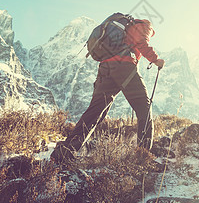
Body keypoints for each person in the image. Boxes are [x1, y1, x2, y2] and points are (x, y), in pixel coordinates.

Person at [51, 18, 165, 164]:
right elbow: (141, 42)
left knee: (95, 112)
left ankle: (65, 152)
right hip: (124, 66)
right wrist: (156, 60)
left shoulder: (122, 26)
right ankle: (143, 156)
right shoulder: (145, 26)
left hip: (105, 68)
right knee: (144, 107)